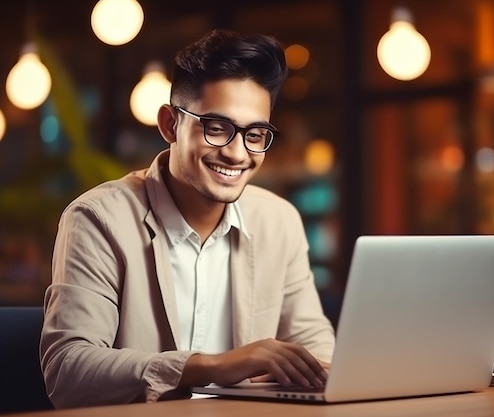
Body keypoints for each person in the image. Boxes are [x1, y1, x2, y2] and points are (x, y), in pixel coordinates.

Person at [40, 29, 335, 409]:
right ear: (169, 125)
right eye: (216, 128)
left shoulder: (280, 221)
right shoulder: (98, 219)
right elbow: (67, 371)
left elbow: (315, 346)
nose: (236, 153)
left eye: (255, 134)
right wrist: (213, 366)